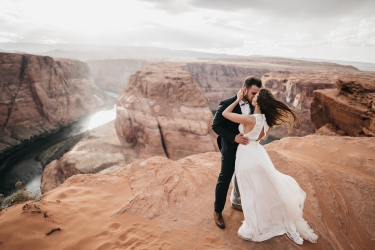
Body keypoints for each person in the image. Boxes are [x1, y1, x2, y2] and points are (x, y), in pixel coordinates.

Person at [222, 88, 318, 245]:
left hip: (246, 157)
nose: (253, 96)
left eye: (256, 95)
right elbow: (262, 137)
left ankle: (254, 225)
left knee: (249, 191)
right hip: (259, 155)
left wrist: (237, 99)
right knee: (259, 190)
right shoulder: (267, 121)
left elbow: (225, 114)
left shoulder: (250, 119)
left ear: (258, 102)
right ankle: (264, 218)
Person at [212, 76, 262, 229]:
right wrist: (233, 137)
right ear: (245, 89)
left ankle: (237, 202)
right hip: (231, 147)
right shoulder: (227, 103)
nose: (256, 96)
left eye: (257, 93)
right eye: (254, 93)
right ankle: (218, 211)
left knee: (245, 176)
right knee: (225, 177)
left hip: (247, 150)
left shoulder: (255, 104)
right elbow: (216, 126)